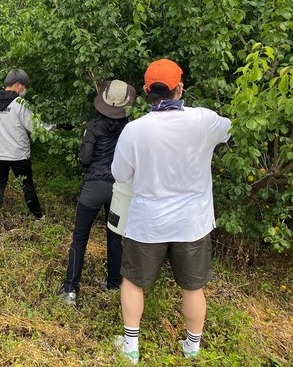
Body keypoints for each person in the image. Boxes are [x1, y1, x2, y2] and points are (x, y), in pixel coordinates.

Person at [110, 59, 231, 364]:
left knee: (133, 282)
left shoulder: (135, 131)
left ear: (148, 90)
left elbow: (121, 175)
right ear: (180, 88)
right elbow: (229, 129)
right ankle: (191, 347)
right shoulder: (204, 121)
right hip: (192, 223)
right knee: (193, 287)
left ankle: (131, 347)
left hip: (148, 223)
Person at [59, 80, 136, 306]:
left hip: (93, 187)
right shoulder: (130, 128)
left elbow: (84, 159)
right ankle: (114, 283)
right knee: (114, 238)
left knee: (80, 238)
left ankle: (70, 290)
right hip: (119, 190)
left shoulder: (93, 126)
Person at [0, 68, 44, 229]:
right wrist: (55, 127)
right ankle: (38, 217)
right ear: (18, 85)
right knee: (27, 185)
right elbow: (35, 128)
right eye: (24, 86)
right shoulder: (20, 104)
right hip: (18, 154)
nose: (24, 89)